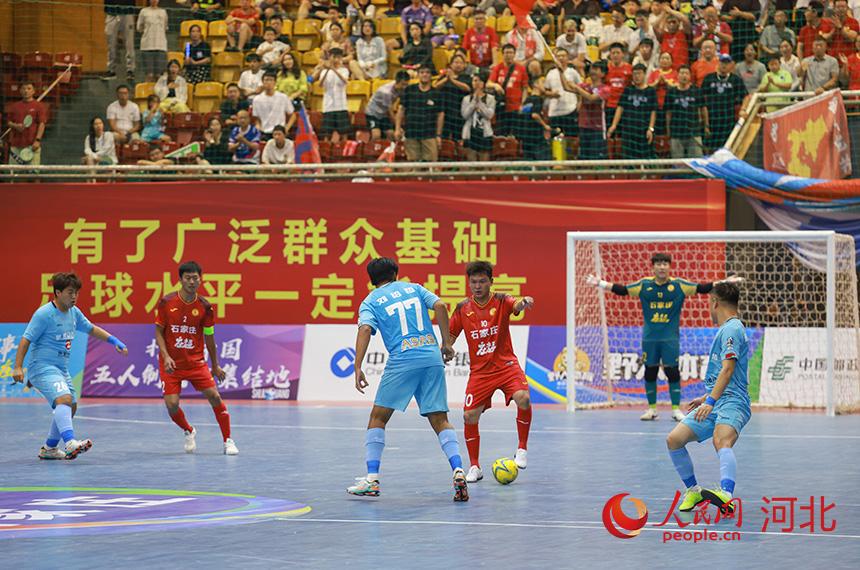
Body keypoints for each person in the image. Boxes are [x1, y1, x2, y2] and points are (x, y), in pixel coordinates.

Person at [347, 257, 467, 501]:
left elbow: (365, 329)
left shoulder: (370, 301)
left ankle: (372, 480)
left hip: (403, 360)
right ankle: (458, 469)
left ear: (371, 280)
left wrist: (357, 366)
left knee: (378, 418)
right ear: (395, 273)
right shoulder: (414, 288)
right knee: (440, 419)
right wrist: (446, 343)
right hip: (431, 357)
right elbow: (441, 306)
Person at [587, 255, 743, 421]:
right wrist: (600, 283)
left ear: (669, 267)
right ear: (653, 267)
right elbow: (623, 290)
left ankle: (676, 409)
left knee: (672, 372)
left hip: (670, 338)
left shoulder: (679, 285)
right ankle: (652, 409)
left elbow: (702, 288)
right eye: (658, 264)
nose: (662, 267)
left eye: (665, 264)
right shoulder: (644, 285)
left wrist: (725, 282)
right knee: (650, 372)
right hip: (650, 338)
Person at [12, 272, 128, 460]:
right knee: (64, 399)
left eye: (76, 293)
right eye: (70, 292)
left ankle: (49, 448)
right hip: (42, 367)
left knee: (71, 405)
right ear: (57, 293)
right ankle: (70, 442)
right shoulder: (44, 314)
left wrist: (114, 340)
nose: (74, 296)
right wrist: (18, 367)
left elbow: (91, 329)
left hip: (61, 369)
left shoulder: (74, 312)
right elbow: (26, 340)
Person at [666, 282, 750, 514]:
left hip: (733, 402)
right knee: (674, 440)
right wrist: (706, 397)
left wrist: (710, 401)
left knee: (721, 441)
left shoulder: (732, 329)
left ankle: (726, 495)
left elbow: (728, 370)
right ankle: (693, 491)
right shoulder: (727, 329)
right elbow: (727, 375)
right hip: (716, 399)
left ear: (715, 302)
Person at [449, 261, 534, 483]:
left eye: (482, 281)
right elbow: (451, 336)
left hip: (506, 366)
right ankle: (474, 466)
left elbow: (516, 305)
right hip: (480, 373)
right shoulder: (463, 308)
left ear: (491, 282)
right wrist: (445, 348)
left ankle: (522, 448)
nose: (477, 286)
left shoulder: (502, 300)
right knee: (469, 416)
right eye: (473, 282)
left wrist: (523, 302)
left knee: (523, 398)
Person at [154, 261, 238, 456]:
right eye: (188, 278)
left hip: (195, 362)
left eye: (195, 278)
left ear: (200, 280)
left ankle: (228, 440)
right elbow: (158, 332)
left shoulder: (205, 307)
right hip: (171, 364)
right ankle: (188, 429)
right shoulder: (167, 302)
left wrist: (215, 366)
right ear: (180, 280)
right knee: (172, 405)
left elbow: (210, 337)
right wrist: (166, 356)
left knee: (215, 396)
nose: (192, 282)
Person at [607, 63, 657, 160]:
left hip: (643, 130)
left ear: (644, 74)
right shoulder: (628, 90)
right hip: (628, 130)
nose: (637, 76)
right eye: (634, 74)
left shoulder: (651, 91)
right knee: (628, 158)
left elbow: (653, 111)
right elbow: (620, 108)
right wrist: (614, 125)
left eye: (639, 73)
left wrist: (650, 129)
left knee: (644, 158)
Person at [396, 64, 444, 162]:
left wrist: (438, 135)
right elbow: (401, 110)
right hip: (411, 133)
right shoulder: (409, 90)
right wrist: (397, 129)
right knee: (413, 164)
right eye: (422, 72)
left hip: (429, 134)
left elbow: (440, 115)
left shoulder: (437, 94)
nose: (424, 75)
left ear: (431, 75)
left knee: (431, 165)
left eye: (427, 72)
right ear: (418, 75)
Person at [701, 54, 748, 151]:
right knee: (710, 148)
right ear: (718, 63)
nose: (724, 65)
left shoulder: (735, 80)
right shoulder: (709, 78)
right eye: (722, 62)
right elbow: (701, 99)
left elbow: (746, 96)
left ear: (731, 65)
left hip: (728, 120)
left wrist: (743, 109)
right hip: (712, 120)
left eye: (727, 63)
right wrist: (704, 121)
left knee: (727, 147)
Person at [564, 60, 610, 159]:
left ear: (603, 74)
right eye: (592, 69)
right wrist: (560, 71)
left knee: (596, 158)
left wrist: (577, 87)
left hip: (597, 128)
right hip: (583, 126)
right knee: (584, 157)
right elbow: (566, 88)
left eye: (596, 69)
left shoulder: (605, 89)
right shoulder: (585, 86)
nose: (592, 71)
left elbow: (591, 98)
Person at [488, 43, 529, 136]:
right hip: (502, 107)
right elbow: (488, 84)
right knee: (501, 134)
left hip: (516, 107)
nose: (508, 55)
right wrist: (496, 85)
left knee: (516, 134)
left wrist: (522, 104)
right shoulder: (498, 68)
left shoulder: (521, 69)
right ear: (502, 54)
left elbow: (525, 88)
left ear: (514, 54)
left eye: (511, 53)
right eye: (506, 53)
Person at [666, 65, 704, 158]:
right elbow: (668, 113)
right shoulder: (671, 92)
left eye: (686, 73)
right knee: (677, 162)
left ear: (690, 76)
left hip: (694, 132)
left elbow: (703, 109)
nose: (684, 75)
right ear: (677, 75)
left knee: (696, 161)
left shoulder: (696, 91)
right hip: (676, 132)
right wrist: (668, 130)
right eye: (682, 73)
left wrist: (705, 125)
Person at [313, 48, 351, 142]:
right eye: (334, 57)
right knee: (327, 133)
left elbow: (345, 81)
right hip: (328, 106)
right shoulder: (324, 71)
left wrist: (333, 69)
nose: (336, 60)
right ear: (330, 57)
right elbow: (320, 85)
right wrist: (326, 70)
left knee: (344, 133)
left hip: (341, 106)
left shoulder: (344, 70)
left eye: (338, 57)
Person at [6, 82, 46, 166]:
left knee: (33, 172)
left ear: (33, 91)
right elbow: (8, 122)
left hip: (32, 146)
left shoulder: (39, 106)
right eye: (23, 88)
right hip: (16, 145)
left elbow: (42, 124)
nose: (26, 91)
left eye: (29, 88)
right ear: (20, 91)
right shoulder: (14, 106)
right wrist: (16, 126)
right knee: (14, 172)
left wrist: (37, 140)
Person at [545, 48, 582, 140]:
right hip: (554, 112)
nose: (561, 58)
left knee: (571, 139)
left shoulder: (573, 72)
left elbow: (580, 89)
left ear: (568, 58)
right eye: (558, 56)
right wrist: (552, 94)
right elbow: (545, 91)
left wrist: (579, 103)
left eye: (563, 56)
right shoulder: (550, 73)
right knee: (555, 140)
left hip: (570, 110)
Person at [435, 53, 472, 142]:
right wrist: (447, 78)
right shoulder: (444, 77)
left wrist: (452, 80)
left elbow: (467, 88)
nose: (458, 65)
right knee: (444, 139)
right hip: (445, 112)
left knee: (458, 139)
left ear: (464, 65)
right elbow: (435, 86)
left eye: (461, 63)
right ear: (451, 65)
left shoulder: (466, 77)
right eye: (456, 62)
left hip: (460, 112)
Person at [460, 71, 495, 161]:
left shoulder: (490, 98)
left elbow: (489, 115)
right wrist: (473, 102)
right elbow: (465, 115)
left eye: (479, 80)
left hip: (485, 132)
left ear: (484, 83)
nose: (477, 83)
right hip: (470, 132)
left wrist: (480, 103)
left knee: (484, 162)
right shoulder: (466, 99)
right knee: (471, 161)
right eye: (474, 80)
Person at [366, 70, 410, 140]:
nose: (404, 87)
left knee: (391, 134)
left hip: (383, 114)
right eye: (403, 84)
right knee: (376, 135)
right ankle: (371, 146)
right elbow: (389, 112)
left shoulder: (402, 89)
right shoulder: (386, 92)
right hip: (373, 114)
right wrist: (398, 127)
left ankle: (389, 147)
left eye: (406, 84)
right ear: (397, 82)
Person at [252, 72, 295, 140]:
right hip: (265, 132)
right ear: (262, 82)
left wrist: (287, 128)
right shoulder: (257, 99)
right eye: (266, 80)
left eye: (271, 80)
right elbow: (256, 118)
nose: (269, 82)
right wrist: (258, 128)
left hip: (280, 132)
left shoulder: (283, 97)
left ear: (275, 82)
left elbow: (293, 115)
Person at [103, 0, 137, 81]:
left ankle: (130, 70)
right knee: (111, 44)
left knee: (129, 44)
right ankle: (111, 70)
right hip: (112, 13)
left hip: (127, 12)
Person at [604, 43, 633, 132]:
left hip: (625, 106)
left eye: (618, 53)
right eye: (613, 53)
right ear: (610, 55)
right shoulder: (605, 69)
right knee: (609, 133)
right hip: (609, 106)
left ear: (623, 54)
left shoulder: (630, 69)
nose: (615, 55)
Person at [137, 0, 168, 83]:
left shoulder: (163, 12)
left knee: (159, 75)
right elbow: (139, 27)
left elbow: (165, 27)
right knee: (149, 75)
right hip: (147, 46)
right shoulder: (143, 11)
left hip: (160, 46)